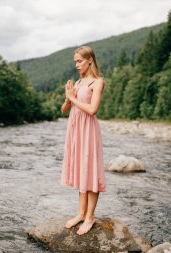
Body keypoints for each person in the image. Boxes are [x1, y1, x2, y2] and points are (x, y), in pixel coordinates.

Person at [60, 45, 106, 235]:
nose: (77, 65)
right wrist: (67, 98)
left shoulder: (97, 82)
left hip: (88, 130)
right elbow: (64, 111)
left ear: (90, 60)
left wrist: (73, 98)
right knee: (81, 170)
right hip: (75, 130)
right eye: (75, 62)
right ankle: (81, 213)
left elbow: (92, 109)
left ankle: (90, 217)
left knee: (91, 171)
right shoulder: (77, 84)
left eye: (79, 61)